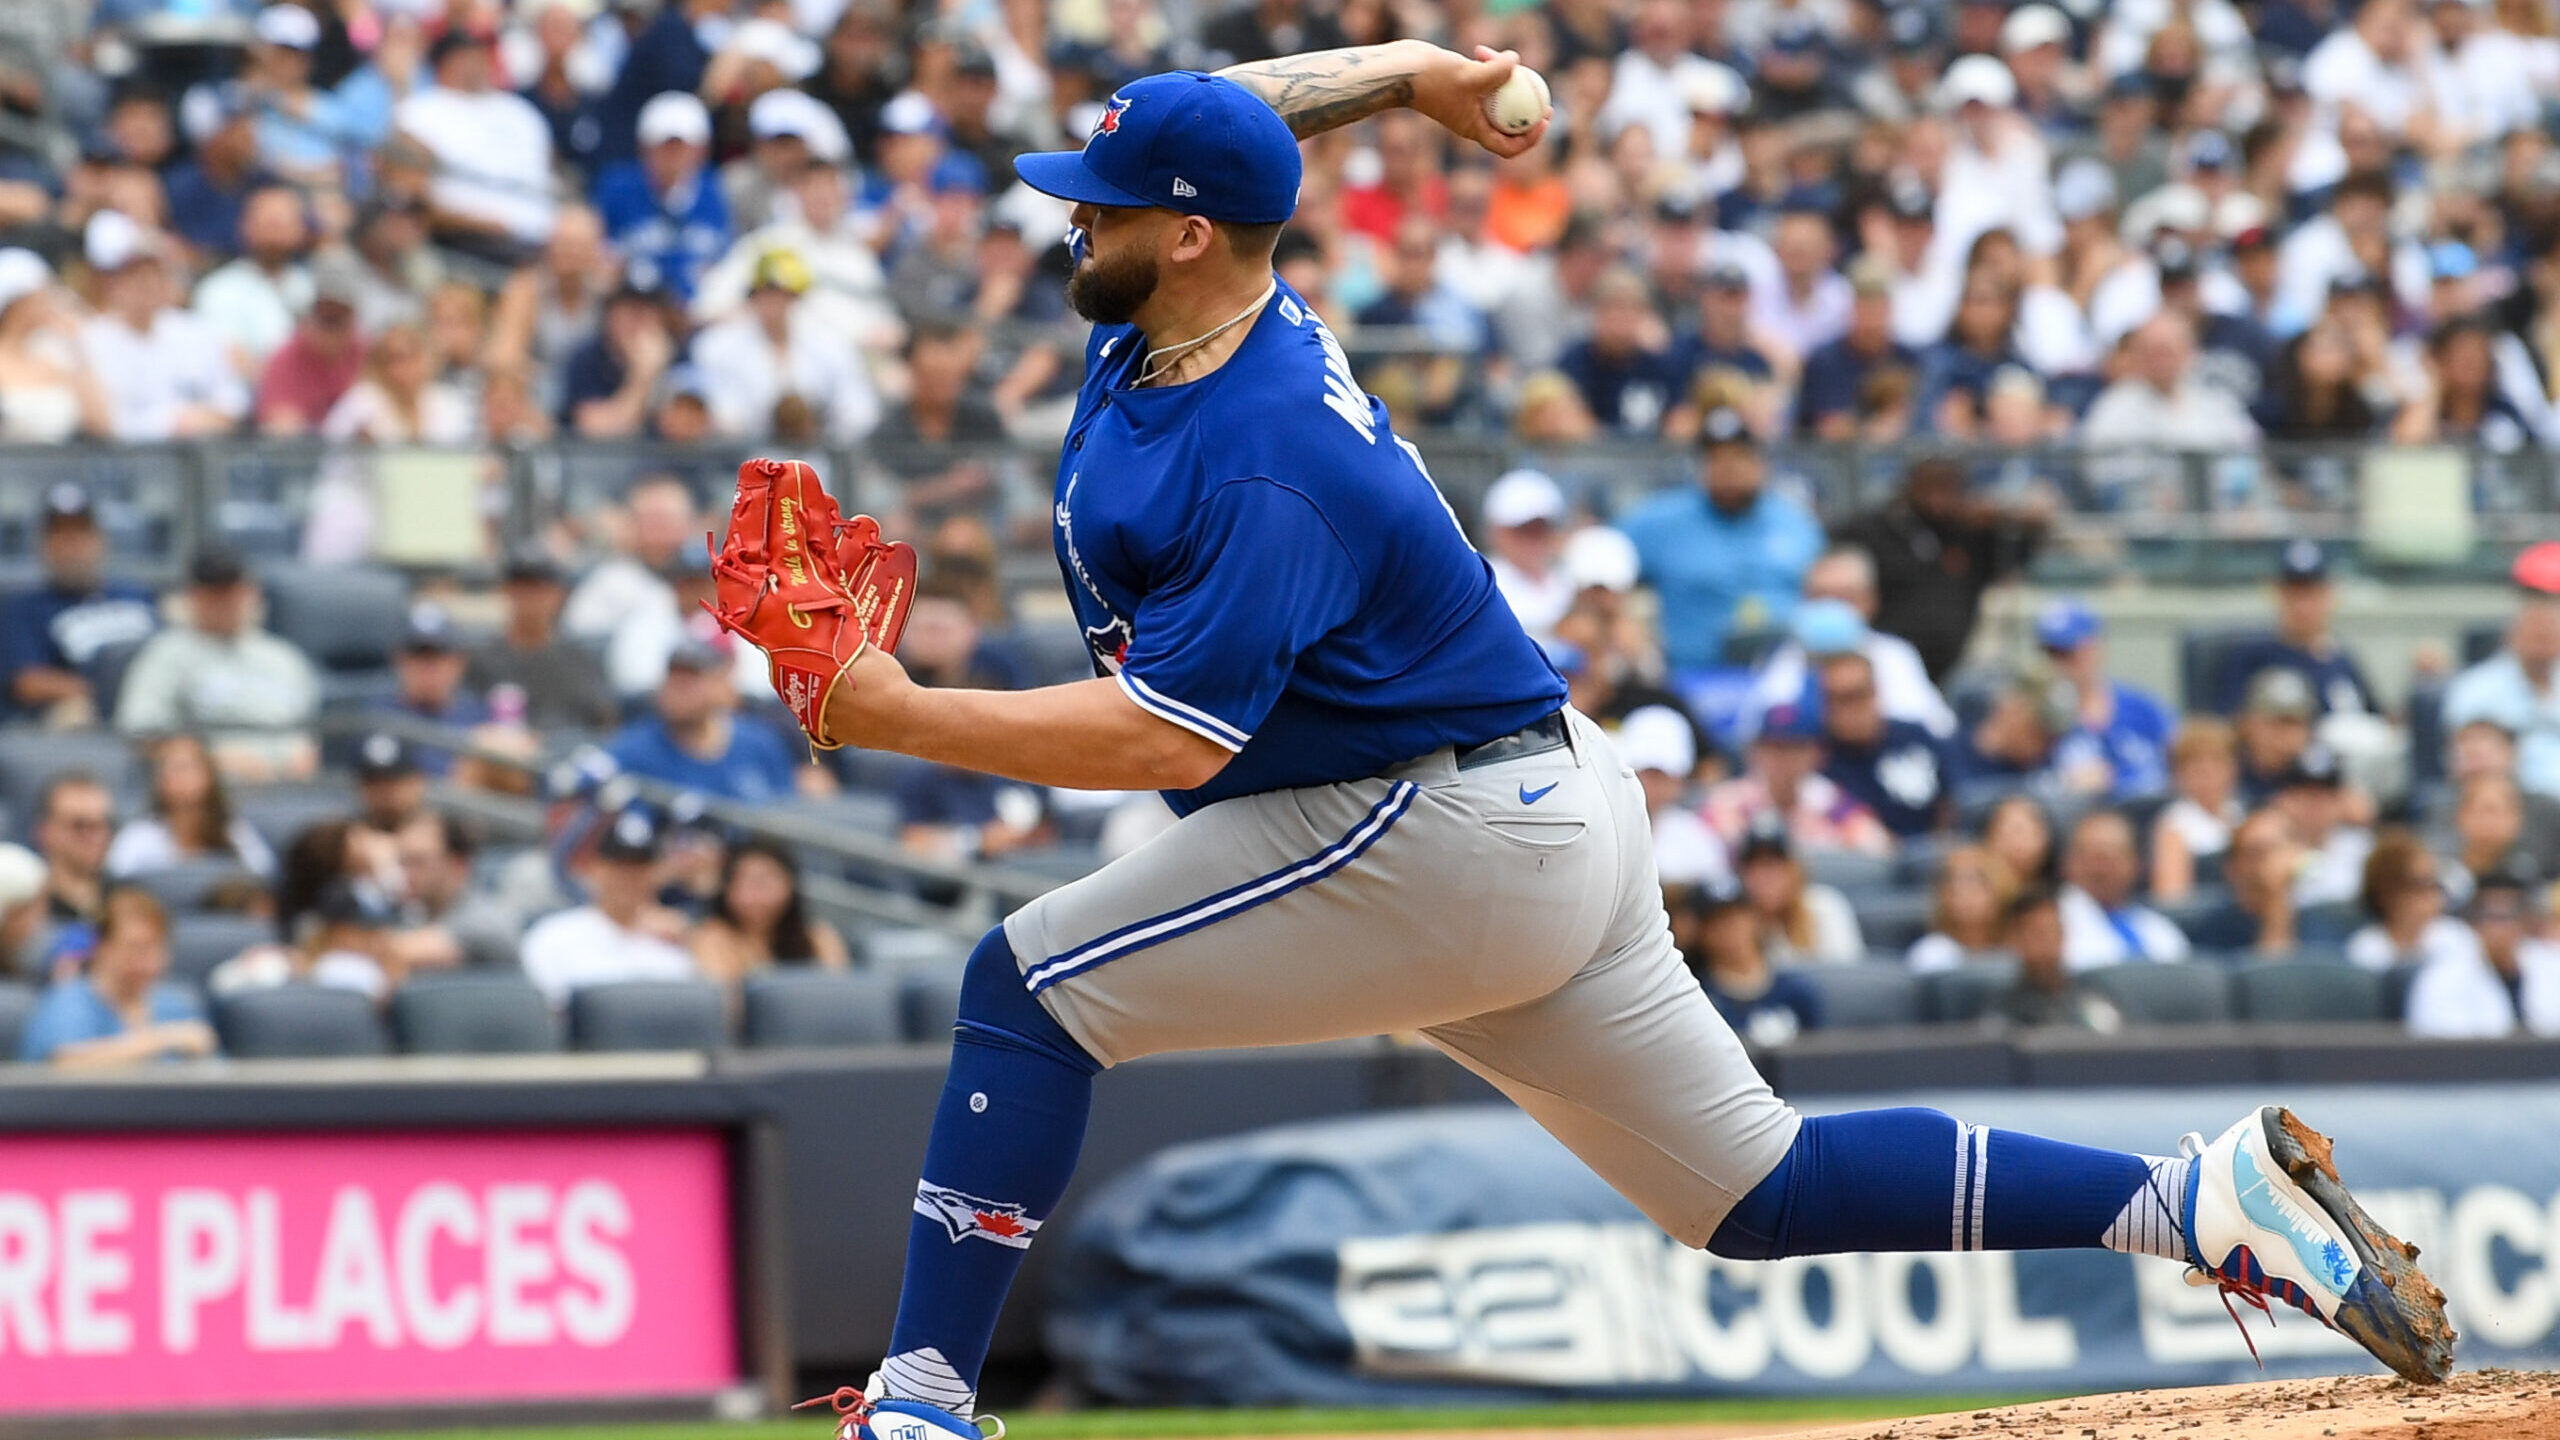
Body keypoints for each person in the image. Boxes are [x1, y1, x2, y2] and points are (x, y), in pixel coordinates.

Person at [711, 60, 2448, 1436]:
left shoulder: (1257, 450)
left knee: (1029, 989)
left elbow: (1170, 737)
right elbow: (1236, 118)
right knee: (1752, 1189)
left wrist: (899, 713)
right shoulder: (1193, 298)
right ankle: (2192, 1198)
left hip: (1431, 830)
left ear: (1182, 234)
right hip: (1532, 807)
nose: (1064, 213)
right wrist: (1407, 67)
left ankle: (925, 1407)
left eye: (1102, 198)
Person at [1615, 406, 1823, 671]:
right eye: (1716, 459)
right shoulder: (1661, 521)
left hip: (1785, 676)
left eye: (1739, 457)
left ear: (1761, 464)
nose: (1728, 469)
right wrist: (1618, 618)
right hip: (1697, 678)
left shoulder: (1795, 522)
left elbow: (1826, 591)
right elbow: (1599, 555)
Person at [1830, 455, 2048, 682]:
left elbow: (2026, 544)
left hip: (1956, 666)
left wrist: (2006, 514)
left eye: (1947, 488)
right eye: (1930, 487)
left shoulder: (1972, 535)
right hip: (1890, 665)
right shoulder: (1878, 532)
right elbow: (1836, 541)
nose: (1937, 500)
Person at [114, 547, 321, 781]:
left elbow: (310, 733)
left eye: (232, 589)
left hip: (288, 789)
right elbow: (142, 732)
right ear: (193, 596)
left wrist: (303, 759)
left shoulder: (283, 657)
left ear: (251, 592)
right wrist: (214, 761)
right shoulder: (166, 653)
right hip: (211, 792)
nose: (225, 600)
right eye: (214, 591)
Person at [1744, 550, 1954, 738]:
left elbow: (1937, 727)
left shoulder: (1895, 654)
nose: (1831, 607)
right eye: (1820, 597)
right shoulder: (1782, 657)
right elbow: (1754, 731)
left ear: (1870, 600)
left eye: (1844, 597)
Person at [0, 485, 158, 725]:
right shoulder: (24, 608)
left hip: (152, 709)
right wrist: (107, 690)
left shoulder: (137, 595)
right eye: (61, 535)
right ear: (44, 546)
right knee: (74, 712)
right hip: (86, 717)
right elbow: (27, 682)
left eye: (80, 534)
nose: (71, 546)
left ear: (101, 540)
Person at [519, 806, 699, 1006]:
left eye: (639, 868)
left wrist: (691, 940)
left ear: (656, 873)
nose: (629, 879)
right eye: (618, 868)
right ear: (594, 869)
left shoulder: (676, 940)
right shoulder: (553, 935)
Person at [18, 888, 216, 1066]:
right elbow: (67, 1064)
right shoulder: (68, 1001)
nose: (149, 962)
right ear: (102, 947)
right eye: (136, 949)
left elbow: (217, 1072)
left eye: (158, 949)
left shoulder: (176, 1005)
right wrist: (164, 1039)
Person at [607, 638, 808, 804]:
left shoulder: (760, 743)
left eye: (690, 681)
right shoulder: (632, 752)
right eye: (673, 679)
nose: (678, 690)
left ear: (719, 685)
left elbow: (785, 817)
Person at [1701, 702, 1895, 858]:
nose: (1784, 759)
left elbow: (1882, 851)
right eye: (1774, 747)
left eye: (1795, 748)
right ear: (1753, 752)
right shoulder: (1728, 801)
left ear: (1817, 754)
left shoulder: (1831, 801)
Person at [2211, 541, 2380, 718]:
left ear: (2330, 595)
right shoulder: (2252, 657)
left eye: (2312, 594)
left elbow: (2377, 718)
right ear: (2276, 593)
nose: (2303, 606)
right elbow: (2227, 724)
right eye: (2294, 594)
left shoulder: (2342, 658)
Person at [2445, 543, 2560, 798]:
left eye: (2551, 631)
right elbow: (2467, 764)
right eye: (2536, 630)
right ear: (2513, 634)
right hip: (2512, 809)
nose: (2545, 638)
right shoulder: (2475, 689)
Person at [2035, 600, 2175, 801]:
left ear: (2096, 648)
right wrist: (2065, 782)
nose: (2062, 664)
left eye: (2070, 653)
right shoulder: (2040, 718)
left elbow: (2180, 757)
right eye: (2053, 655)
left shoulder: (2141, 707)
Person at [2404, 857, 2560, 1038]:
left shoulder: (2552, 965)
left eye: (2510, 914)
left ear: (2526, 919)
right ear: (2474, 921)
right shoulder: (2442, 978)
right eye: (2491, 916)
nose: (2501, 927)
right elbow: (2442, 1050)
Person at [465, 550, 618, 732]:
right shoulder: (480, 659)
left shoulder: (581, 658)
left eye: (538, 588)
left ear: (558, 594)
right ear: (506, 591)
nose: (529, 597)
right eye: (521, 588)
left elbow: (604, 722)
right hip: (505, 754)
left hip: (570, 752)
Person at [1815, 648, 1950, 840]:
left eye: (1859, 694)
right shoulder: (1819, 761)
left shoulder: (1914, 736)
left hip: (1934, 850)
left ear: (1875, 691)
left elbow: (1950, 800)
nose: (1851, 709)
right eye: (1838, 699)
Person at [106, 732, 279, 880]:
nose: (180, 776)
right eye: (171, 768)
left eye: (188, 767)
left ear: (209, 775)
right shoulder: (140, 835)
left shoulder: (233, 831)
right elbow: (118, 876)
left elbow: (262, 875)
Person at [689, 835, 852, 986]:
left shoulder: (819, 937)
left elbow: (838, 996)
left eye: (765, 882)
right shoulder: (710, 937)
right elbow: (724, 1004)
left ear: (790, 884)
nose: (755, 895)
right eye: (745, 882)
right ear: (727, 888)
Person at [1685, 872, 1826, 1046]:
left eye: (1737, 918)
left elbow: (1821, 1060)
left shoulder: (1798, 992)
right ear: (1701, 932)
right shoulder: (1698, 1001)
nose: (1729, 930)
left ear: (1755, 919)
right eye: (1717, 922)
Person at [2183, 810, 2350, 957]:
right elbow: (2270, 983)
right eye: (2257, 852)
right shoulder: (2212, 933)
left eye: (2280, 849)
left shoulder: (2325, 929)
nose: (2272, 862)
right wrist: (2276, 898)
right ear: (2231, 868)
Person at [209, 875, 404, 1000]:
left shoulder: (296, 961)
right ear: (338, 933)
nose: (380, 941)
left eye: (379, 931)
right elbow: (221, 984)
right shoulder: (342, 967)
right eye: (366, 933)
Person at [2058, 808, 2192, 968]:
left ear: (2136, 864)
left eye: (2112, 857)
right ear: (2067, 862)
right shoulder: (2051, 925)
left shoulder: (2159, 928)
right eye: (2090, 856)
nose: (2100, 868)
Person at [1619, 704, 1727, 888]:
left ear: (1679, 780)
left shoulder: (1699, 840)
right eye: (1645, 773)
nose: (1650, 785)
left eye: (1661, 776)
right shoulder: (1603, 830)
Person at [1734, 814, 1866, 965]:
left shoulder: (1826, 906)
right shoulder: (1737, 925)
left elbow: (1848, 977)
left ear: (1794, 870)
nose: (1764, 877)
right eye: (1754, 868)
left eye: (1772, 865)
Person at [2345, 830, 2476, 974]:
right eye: (2420, 885)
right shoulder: (2365, 950)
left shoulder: (2457, 938)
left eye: (2434, 883)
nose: (2432, 894)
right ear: (2388, 894)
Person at [1998, 887, 2127, 1032]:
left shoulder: (2092, 994)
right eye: (2038, 934)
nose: (2048, 942)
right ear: (2015, 940)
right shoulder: (2001, 1007)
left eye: (2053, 931)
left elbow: (2114, 1038)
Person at [2150, 718, 2244, 901]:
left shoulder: (2242, 815)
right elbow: (2172, 898)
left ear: (2234, 768)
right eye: (2195, 763)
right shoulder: (2175, 825)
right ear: (2177, 774)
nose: (2207, 770)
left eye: (2217, 760)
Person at [2271, 743, 2374, 910]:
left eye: (2325, 795)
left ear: (2341, 800)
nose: (2315, 804)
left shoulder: (2363, 849)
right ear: (2284, 798)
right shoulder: (2266, 847)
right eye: (2306, 794)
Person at [1478, 469, 1575, 644]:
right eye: (1523, 530)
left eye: (1541, 529)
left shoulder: (1568, 581)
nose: (1534, 540)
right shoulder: (1484, 587)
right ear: (1497, 532)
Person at [1906, 844, 2016, 972]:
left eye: (1976, 886)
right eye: (1955, 887)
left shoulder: (2020, 949)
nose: (1965, 895)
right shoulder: (1931, 953)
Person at [32, 772, 115, 926]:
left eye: (101, 825)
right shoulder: (26, 912)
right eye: (79, 826)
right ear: (45, 831)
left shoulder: (126, 900)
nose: (95, 837)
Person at [1981, 792, 2058, 887]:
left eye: (2019, 831)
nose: (2015, 843)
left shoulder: (2063, 895)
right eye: (2005, 833)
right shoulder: (1975, 892)